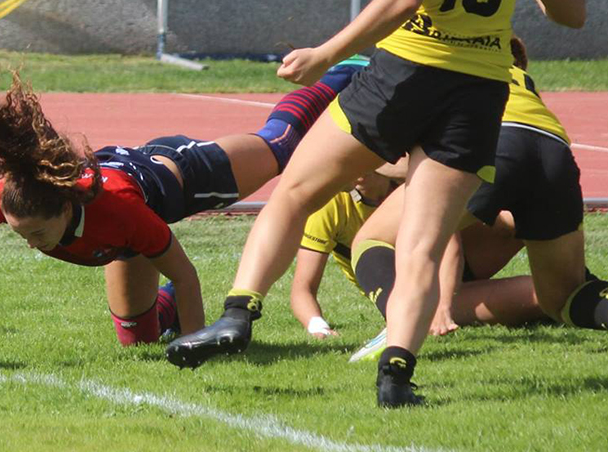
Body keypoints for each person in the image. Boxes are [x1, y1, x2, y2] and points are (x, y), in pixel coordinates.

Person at [165, 0, 586, 409]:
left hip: (408, 71)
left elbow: (402, 3)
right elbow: (572, 16)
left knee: (296, 192)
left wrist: (325, 54)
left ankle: (239, 312)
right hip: (478, 92)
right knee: (421, 247)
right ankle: (396, 375)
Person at [0, 38, 365, 347]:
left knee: (280, 144)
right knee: (137, 343)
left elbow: (186, 273)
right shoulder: (21, 195)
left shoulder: (118, 213)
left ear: (66, 208)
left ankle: (351, 65)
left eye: (37, 235)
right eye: (21, 235)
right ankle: (163, 307)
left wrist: (197, 343)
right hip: (128, 225)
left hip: (186, 173)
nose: (30, 244)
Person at [350, 35, 607, 369]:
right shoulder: (518, 77)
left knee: (371, 240)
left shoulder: (448, 58)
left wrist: (357, 163)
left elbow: (413, 159)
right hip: (553, 149)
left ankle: (398, 326)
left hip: (489, 143)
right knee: (564, 298)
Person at [291, 170, 543, 344]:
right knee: (542, 296)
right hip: (411, 292)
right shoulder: (330, 205)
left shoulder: (410, 181)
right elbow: (302, 288)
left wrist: (444, 304)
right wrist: (317, 326)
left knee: (519, 218)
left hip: (450, 265)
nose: (358, 167)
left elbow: (449, 242)